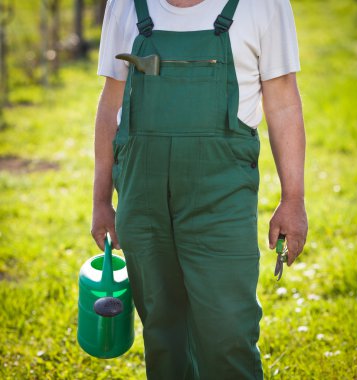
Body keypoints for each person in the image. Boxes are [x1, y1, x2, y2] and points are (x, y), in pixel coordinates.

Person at [91, 0, 308, 379]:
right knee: (163, 335)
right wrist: (100, 200)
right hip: (142, 201)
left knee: (228, 335)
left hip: (221, 196)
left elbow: (283, 100)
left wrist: (293, 198)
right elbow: (112, 104)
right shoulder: (124, 5)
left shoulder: (263, 5)